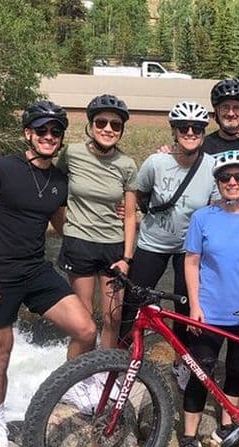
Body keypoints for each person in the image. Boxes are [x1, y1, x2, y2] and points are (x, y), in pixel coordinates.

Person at [0, 100, 97, 447]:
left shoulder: (57, 180)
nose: (49, 137)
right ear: (28, 133)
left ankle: (74, 387)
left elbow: (62, 223)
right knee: (0, 353)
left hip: (36, 270)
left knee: (86, 329)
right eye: (42, 130)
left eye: (55, 132)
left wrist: (106, 221)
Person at [179, 151, 239, 447]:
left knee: (236, 371)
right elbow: (190, 263)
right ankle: (189, 439)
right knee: (201, 371)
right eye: (225, 178)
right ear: (217, 183)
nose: (232, 183)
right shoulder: (203, 218)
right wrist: (194, 305)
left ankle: (226, 430)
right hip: (209, 312)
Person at [118, 101, 219, 348]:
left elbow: (214, 211)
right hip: (153, 242)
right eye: (184, 127)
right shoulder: (156, 162)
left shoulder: (212, 167)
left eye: (197, 128)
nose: (190, 133)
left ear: (203, 133)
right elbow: (139, 194)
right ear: (174, 131)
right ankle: (119, 359)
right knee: (132, 301)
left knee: (184, 307)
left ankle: (181, 362)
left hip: (188, 248)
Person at [55, 94, 137, 352]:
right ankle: (78, 376)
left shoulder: (126, 164)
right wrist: (66, 231)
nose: (108, 129)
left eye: (115, 125)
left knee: (113, 316)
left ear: (122, 130)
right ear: (91, 125)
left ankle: (105, 374)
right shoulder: (72, 153)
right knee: (84, 318)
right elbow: (54, 195)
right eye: (101, 123)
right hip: (79, 244)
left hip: (113, 246)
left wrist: (127, 258)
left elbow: (132, 214)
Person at [201, 78, 239, 162]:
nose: (231, 113)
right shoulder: (203, 146)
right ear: (216, 111)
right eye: (225, 107)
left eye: (236, 107)